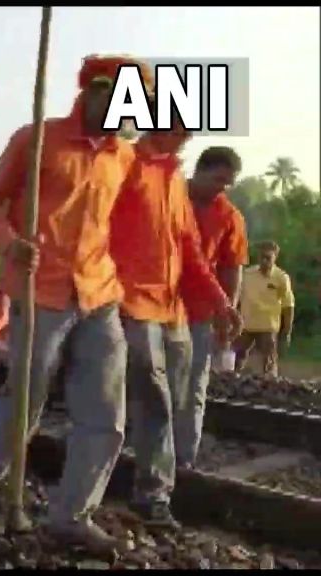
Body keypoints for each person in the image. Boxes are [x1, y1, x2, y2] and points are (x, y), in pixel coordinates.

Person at [0, 55, 150, 553]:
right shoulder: (36, 138)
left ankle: (72, 514)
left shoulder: (125, 155)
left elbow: (128, 223)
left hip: (99, 294)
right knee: (26, 398)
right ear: (94, 92)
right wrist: (11, 244)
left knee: (105, 412)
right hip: (42, 289)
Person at [109, 121, 241, 530]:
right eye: (218, 179)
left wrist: (223, 303)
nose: (222, 188)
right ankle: (152, 486)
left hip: (183, 312)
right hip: (133, 300)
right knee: (152, 393)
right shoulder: (128, 166)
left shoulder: (188, 193)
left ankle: (166, 472)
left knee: (180, 396)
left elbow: (200, 255)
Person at [175, 146, 248, 469]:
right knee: (144, 383)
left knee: (192, 388)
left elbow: (232, 267)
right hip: (151, 306)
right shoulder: (169, 196)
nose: (222, 188)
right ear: (200, 170)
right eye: (218, 179)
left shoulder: (230, 216)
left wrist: (226, 311)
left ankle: (182, 462)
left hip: (200, 312)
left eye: (228, 183)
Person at [234, 241, 295, 376]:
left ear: (275, 257)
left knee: (269, 364)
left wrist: (287, 331)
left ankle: (270, 389)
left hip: (268, 327)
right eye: (262, 257)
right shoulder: (248, 274)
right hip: (246, 325)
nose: (264, 260)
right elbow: (237, 297)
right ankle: (233, 386)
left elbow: (288, 306)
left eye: (268, 257)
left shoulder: (281, 278)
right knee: (236, 361)